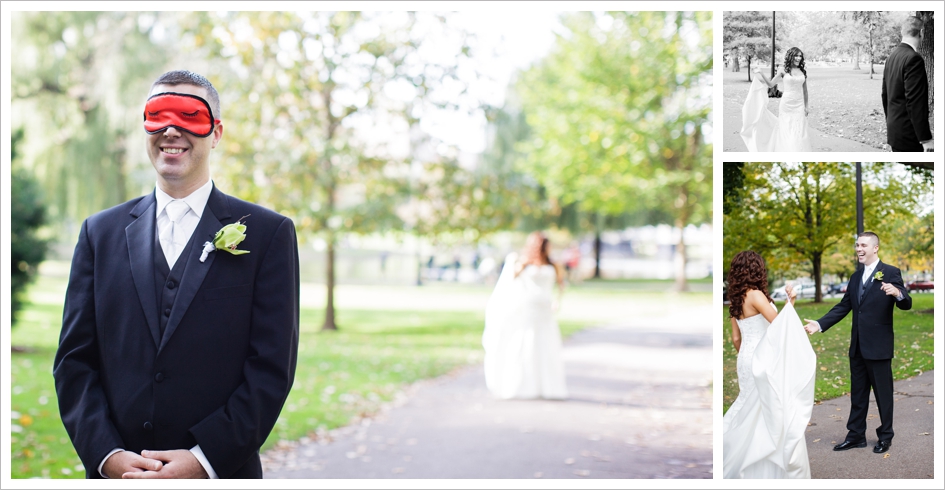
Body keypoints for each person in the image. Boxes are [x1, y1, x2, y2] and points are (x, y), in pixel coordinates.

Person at [53, 70, 300, 479]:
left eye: (188, 116)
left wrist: (204, 460)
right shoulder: (99, 233)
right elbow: (74, 361)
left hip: (222, 473)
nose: (171, 129)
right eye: (158, 115)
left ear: (216, 132)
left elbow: (271, 368)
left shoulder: (268, 233)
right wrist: (106, 454)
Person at [803, 232, 911, 455]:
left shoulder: (890, 272)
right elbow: (844, 307)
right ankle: (855, 436)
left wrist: (897, 292)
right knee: (858, 394)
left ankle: (885, 437)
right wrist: (820, 324)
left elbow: (906, 303)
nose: (858, 249)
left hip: (879, 346)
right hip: (858, 347)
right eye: (857, 245)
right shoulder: (854, 277)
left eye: (863, 245)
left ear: (875, 248)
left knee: (883, 396)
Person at [723, 251, 815, 479]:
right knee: (768, 409)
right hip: (762, 358)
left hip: (744, 358)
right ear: (757, 270)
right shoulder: (755, 295)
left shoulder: (735, 299)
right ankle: (767, 468)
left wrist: (746, 357)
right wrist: (790, 301)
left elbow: (736, 339)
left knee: (748, 406)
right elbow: (779, 325)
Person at [482, 232, 568, 400]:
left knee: (546, 342)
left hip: (545, 309)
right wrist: (512, 265)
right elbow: (509, 283)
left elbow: (561, 285)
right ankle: (523, 383)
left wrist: (558, 301)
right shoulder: (523, 263)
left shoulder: (554, 264)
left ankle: (547, 385)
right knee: (526, 342)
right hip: (528, 307)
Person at [740, 47, 813, 152]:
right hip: (786, 104)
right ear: (790, 56)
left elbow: (805, 91)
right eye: (796, 55)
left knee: (799, 131)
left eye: (800, 56)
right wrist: (761, 72)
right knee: (786, 130)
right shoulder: (783, 70)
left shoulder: (803, 71)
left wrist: (806, 106)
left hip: (799, 104)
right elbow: (770, 84)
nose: (798, 58)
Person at [882, 16, 933, 152]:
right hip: (910, 134)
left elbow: (885, 95)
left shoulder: (891, 57)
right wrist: (925, 139)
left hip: (895, 131)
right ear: (921, 32)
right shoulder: (913, 59)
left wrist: (891, 126)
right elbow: (915, 101)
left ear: (902, 32)